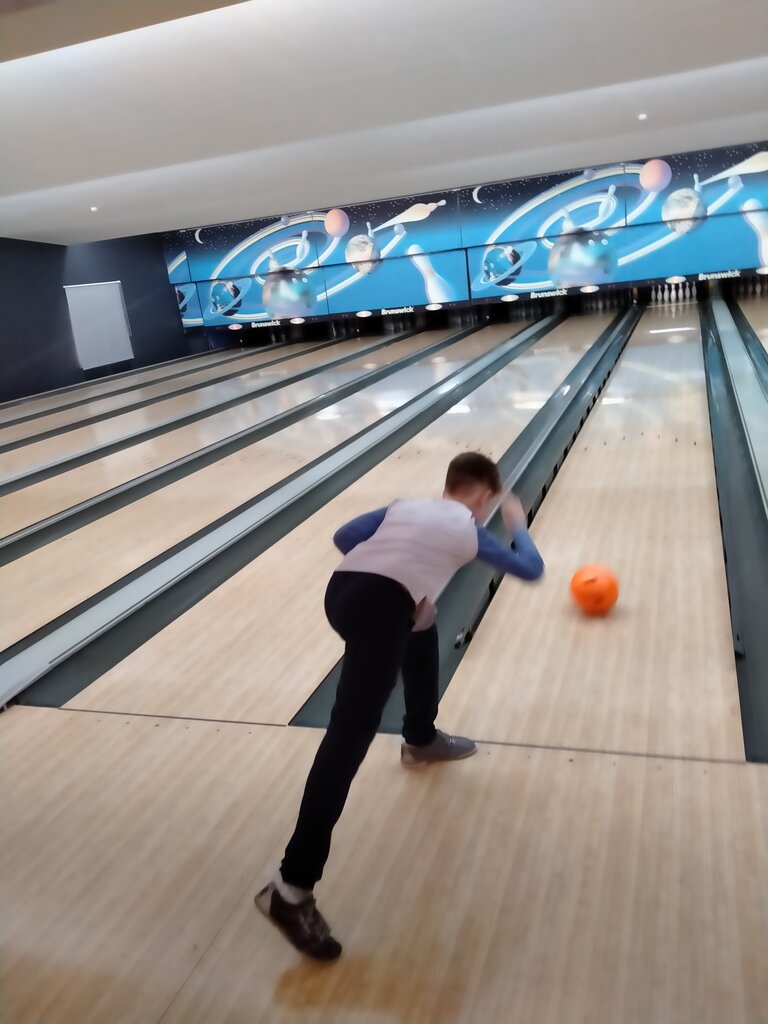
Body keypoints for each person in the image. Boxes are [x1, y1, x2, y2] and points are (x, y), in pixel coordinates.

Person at [256, 452, 544, 960]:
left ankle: (419, 737)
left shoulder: (404, 506)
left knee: (423, 622)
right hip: (378, 607)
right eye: (488, 503)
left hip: (343, 591)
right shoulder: (470, 529)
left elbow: (345, 537)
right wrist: (517, 526)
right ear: (482, 496)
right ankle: (290, 888)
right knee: (347, 740)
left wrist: (402, 579)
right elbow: (530, 568)